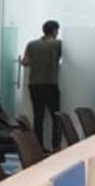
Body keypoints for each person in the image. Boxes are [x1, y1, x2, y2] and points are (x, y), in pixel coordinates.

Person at [21, 20, 64, 148]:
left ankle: (39, 147)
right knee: (56, 117)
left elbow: (25, 62)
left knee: (38, 117)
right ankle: (56, 146)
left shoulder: (32, 44)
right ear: (55, 31)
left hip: (35, 85)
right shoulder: (58, 44)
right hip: (50, 84)